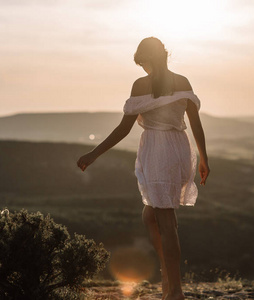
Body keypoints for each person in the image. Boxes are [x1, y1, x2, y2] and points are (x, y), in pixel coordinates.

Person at [77, 37, 209, 300]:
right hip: (179, 149)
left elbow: (124, 128)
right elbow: (196, 124)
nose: (143, 69)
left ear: (146, 59)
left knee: (166, 222)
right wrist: (203, 158)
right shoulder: (183, 81)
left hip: (158, 151)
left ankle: (175, 292)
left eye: (143, 63)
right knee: (153, 216)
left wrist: (94, 153)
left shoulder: (141, 85)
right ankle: (168, 277)